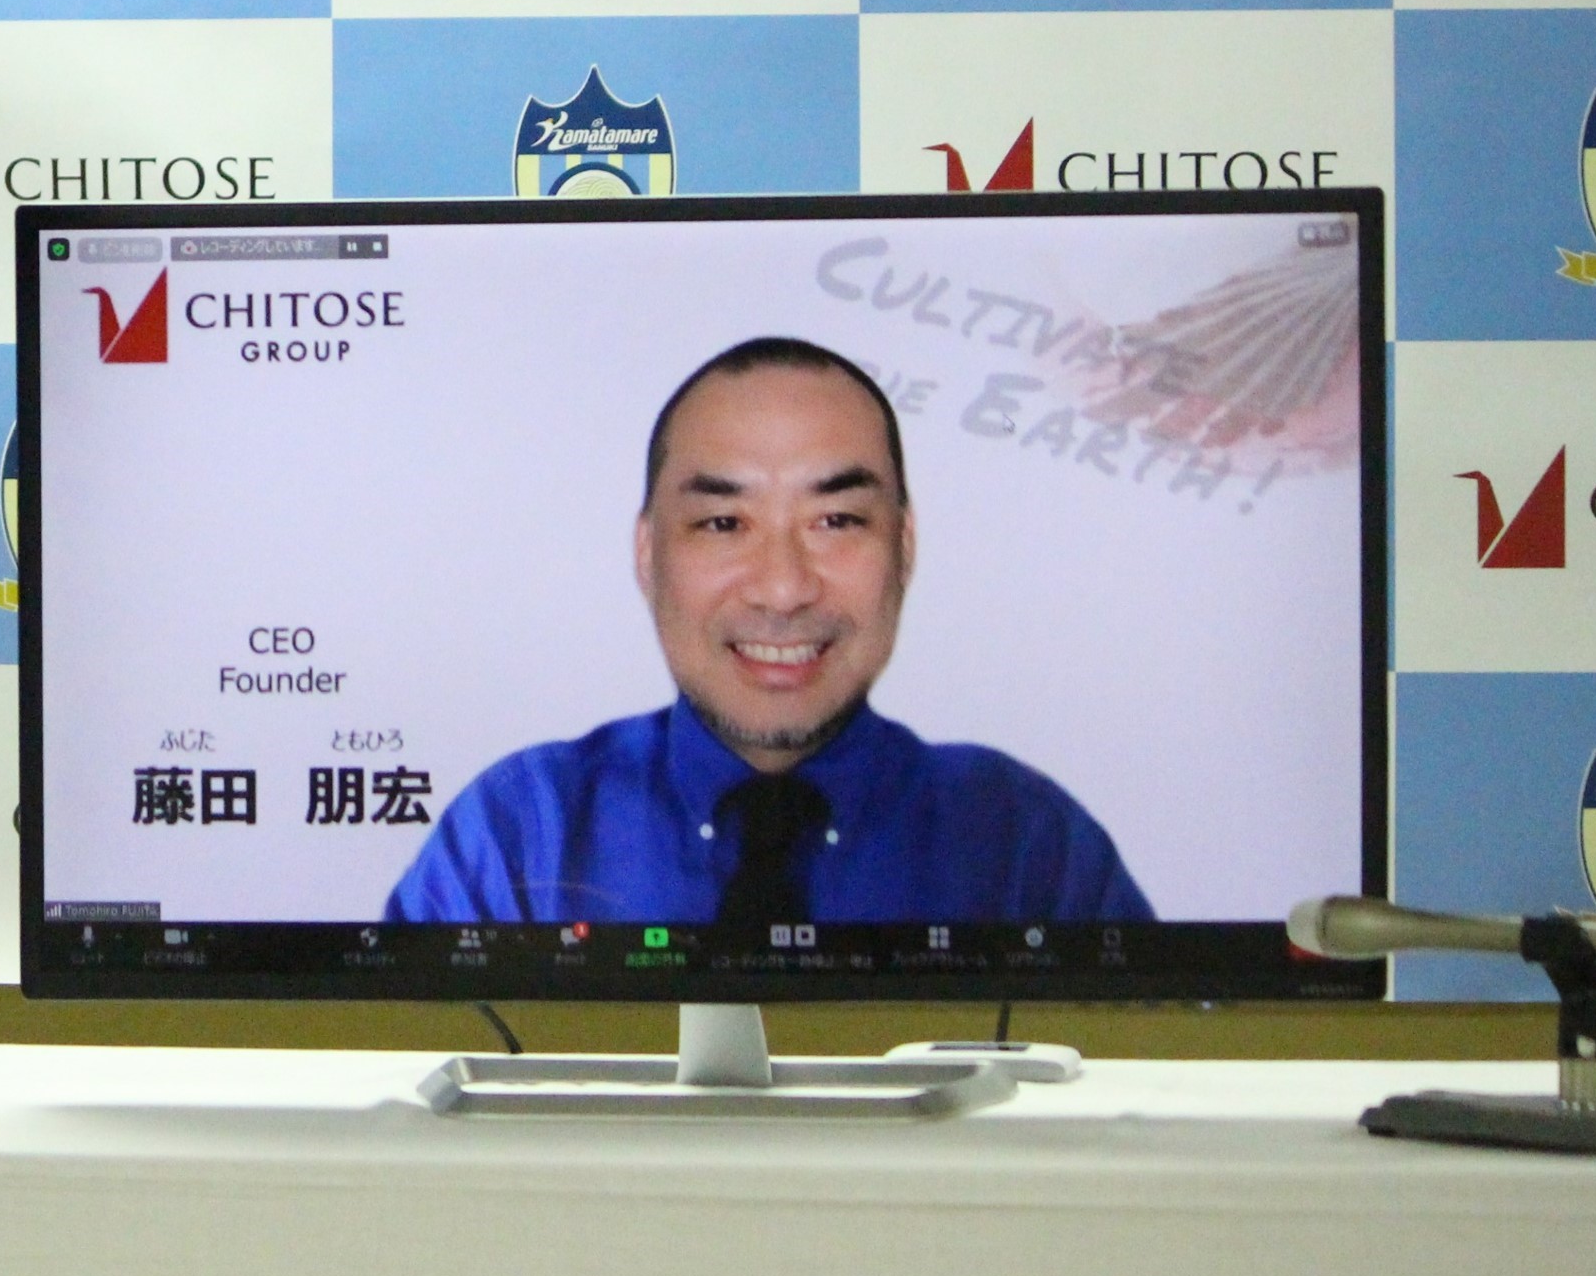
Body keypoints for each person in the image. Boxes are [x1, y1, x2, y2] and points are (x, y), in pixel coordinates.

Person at [386, 335, 1151, 931]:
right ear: (647, 553)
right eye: (724, 522)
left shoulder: (1025, 844)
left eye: (835, 520)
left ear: (905, 546)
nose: (783, 589)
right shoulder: (522, 831)